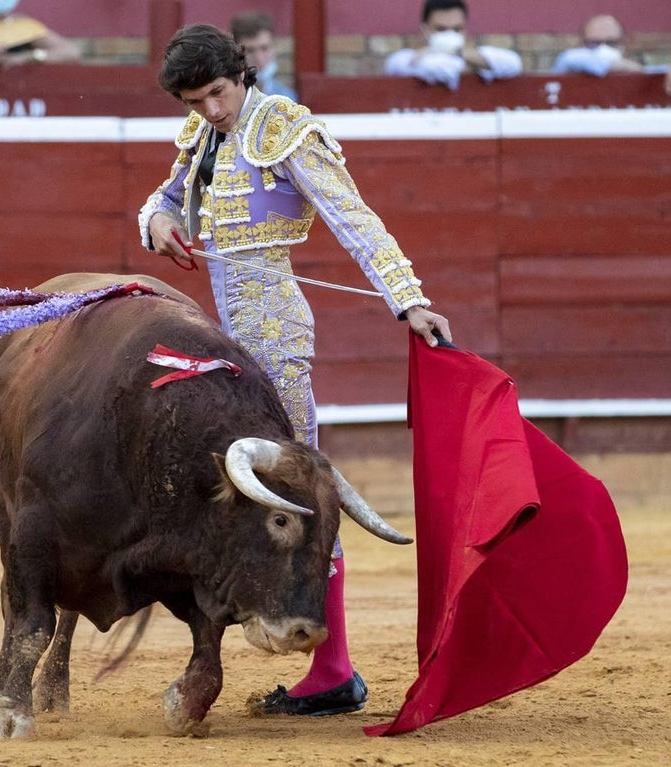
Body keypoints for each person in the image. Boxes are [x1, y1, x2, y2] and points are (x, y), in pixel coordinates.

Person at [139, 24, 452, 717]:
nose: (212, 110)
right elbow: (166, 196)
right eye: (196, 101)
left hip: (274, 328)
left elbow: (354, 218)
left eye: (217, 93)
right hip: (222, 336)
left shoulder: (283, 127)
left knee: (300, 494)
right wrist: (158, 222)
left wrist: (409, 300)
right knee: (242, 492)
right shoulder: (202, 137)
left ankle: (334, 669)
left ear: (241, 75)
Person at [551, 14, 671, 99]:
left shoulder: (642, 73)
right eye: (594, 44)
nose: (603, 50)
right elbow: (567, 59)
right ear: (582, 44)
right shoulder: (568, 65)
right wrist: (616, 65)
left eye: (611, 43)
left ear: (624, 46)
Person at [384, 0, 521, 91]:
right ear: (425, 30)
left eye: (457, 29)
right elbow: (437, 69)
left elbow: (513, 63)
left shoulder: (475, 55)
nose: (450, 34)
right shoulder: (405, 58)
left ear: (465, 29)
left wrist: (460, 53)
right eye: (441, 29)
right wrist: (476, 67)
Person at [230, 11, 297, 101]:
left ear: (274, 48)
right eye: (250, 51)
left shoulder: (286, 96)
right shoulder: (229, 96)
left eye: (264, 48)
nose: (259, 59)